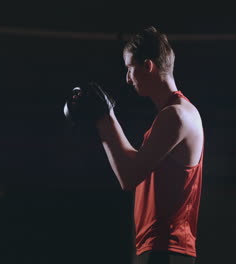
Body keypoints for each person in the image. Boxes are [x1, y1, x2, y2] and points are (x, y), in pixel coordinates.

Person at [64, 26, 204, 264]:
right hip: (158, 246)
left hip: (168, 248)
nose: (128, 78)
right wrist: (105, 118)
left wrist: (106, 117)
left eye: (130, 68)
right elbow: (134, 167)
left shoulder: (177, 115)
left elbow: (128, 176)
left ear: (148, 66)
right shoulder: (171, 116)